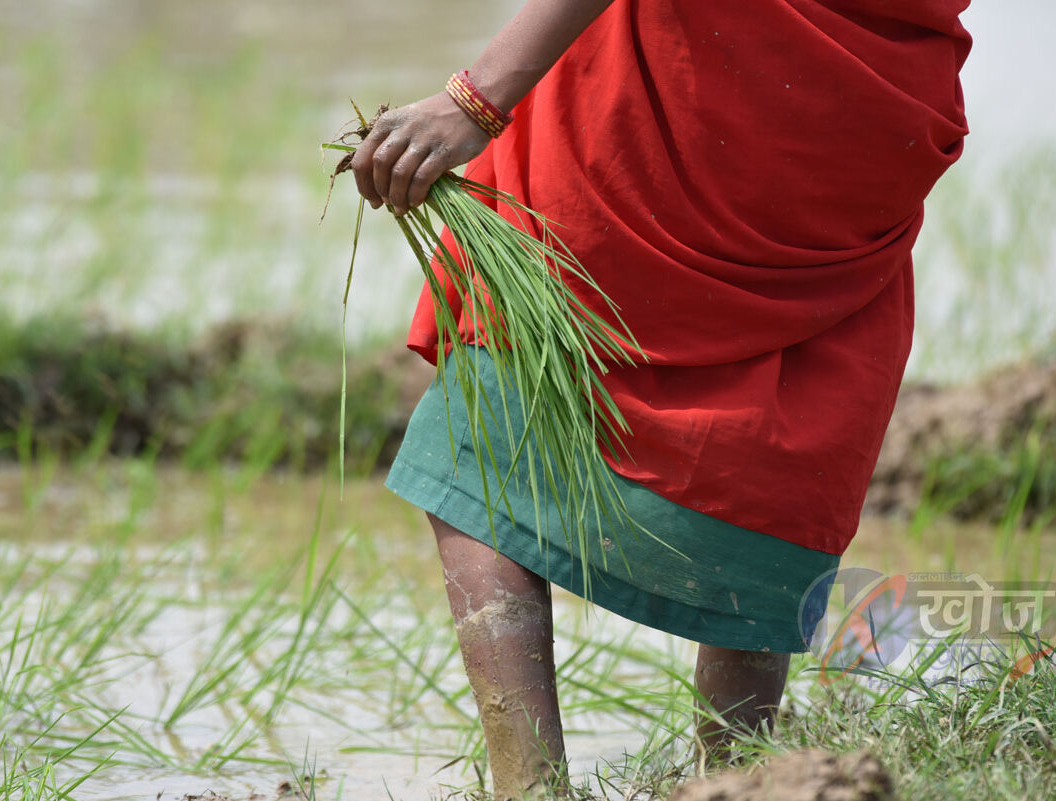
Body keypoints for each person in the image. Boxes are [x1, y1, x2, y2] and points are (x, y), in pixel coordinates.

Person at [350, 1, 971, 797]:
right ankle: (744, 778)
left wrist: (475, 99)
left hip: (671, 93)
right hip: (857, 105)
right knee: (775, 419)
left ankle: (530, 786)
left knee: (504, 413)